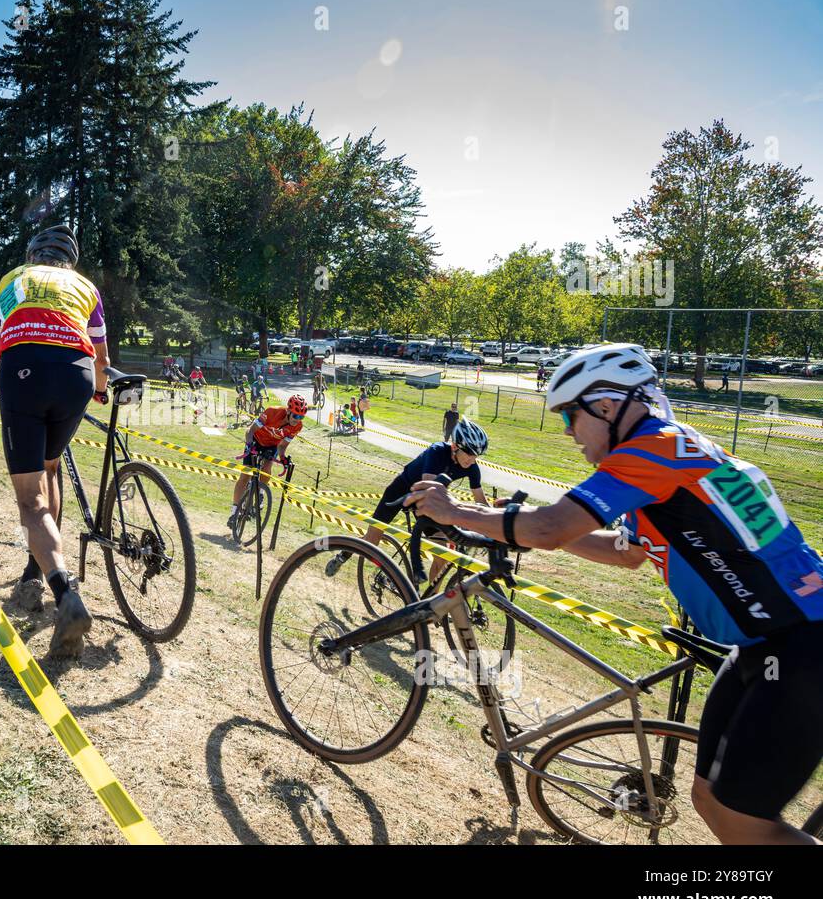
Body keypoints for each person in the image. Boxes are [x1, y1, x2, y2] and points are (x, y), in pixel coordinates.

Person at [406, 344, 823, 844]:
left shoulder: (655, 450)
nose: (566, 431)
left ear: (607, 406)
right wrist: (503, 527)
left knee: (745, 819)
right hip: (762, 647)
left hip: (802, 647)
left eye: (569, 414)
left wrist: (458, 513)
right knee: (709, 800)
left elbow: (551, 527)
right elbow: (625, 551)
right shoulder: (672, 451)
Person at [0, 224, 108, 658]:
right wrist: (101, 387)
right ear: (70, 261)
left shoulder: (14, 280)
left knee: (30, 501)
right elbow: (102, 357)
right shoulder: (85, 286)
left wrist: (2, 393)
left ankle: (64, 592)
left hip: (24, 369)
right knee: (51, 465)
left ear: (33, 256)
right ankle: (40, 567)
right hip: (77, 373)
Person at [325, 418, 494, 576]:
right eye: (470, 453)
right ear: (455, 446)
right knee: (372, 540)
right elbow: (430, 488)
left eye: (477, 455)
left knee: (443, 554)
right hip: (402, 490)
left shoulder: (472, 467)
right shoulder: (437, 452)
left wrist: (493, 525)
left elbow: (481, 501)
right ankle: (343, 555)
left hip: (426, 502)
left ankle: (429, 602)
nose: (473, 459)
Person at [229, 395, 307, 527]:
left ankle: (260, 493)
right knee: (245, 476)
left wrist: (283, 458)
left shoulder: (297, 427)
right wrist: (249, 445)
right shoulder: (272, 412)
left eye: (301, 417)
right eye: (295, 416)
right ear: (288, 411)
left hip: (271, 445)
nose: (297, 420)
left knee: (267, 466)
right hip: (255, 439)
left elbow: (282, 446)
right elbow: (251, 430)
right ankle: (234, 512)